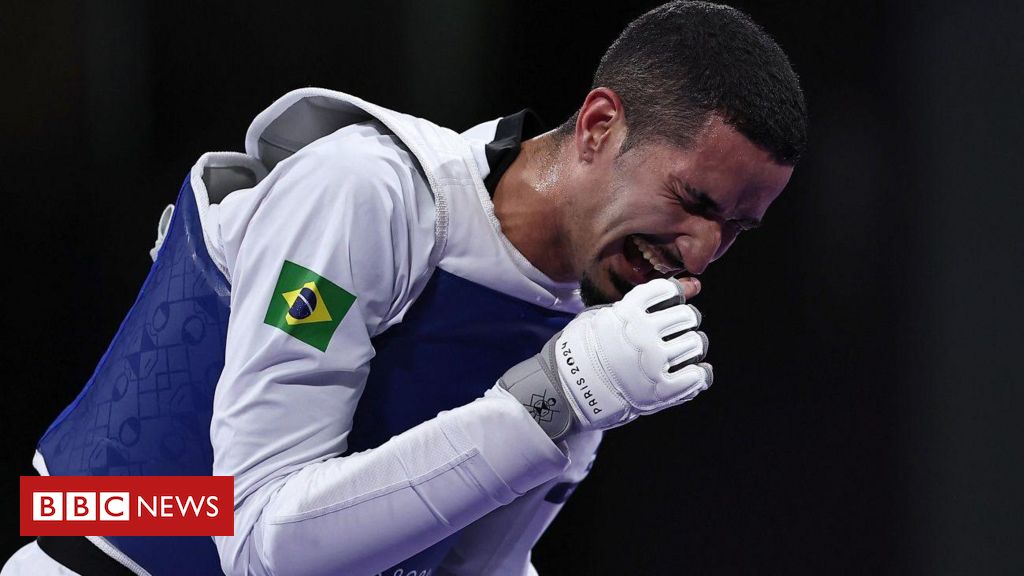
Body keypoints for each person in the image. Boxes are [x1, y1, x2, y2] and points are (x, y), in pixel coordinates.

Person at [3, 1, 807, 575]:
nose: (701, 253)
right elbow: (257, 547)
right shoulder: (362, 194)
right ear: (599, 126)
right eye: (693, 202)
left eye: (736, 228)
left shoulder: (585, 334)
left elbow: (475, 565)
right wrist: (553, 399)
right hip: (110, 543)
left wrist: (566, 399)